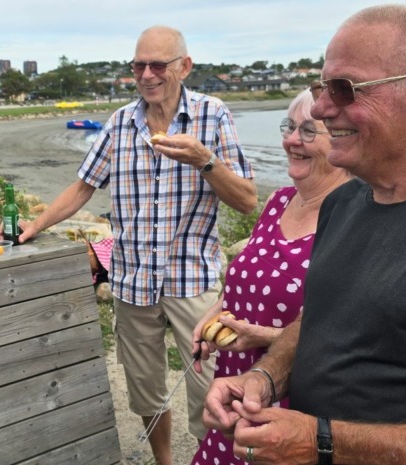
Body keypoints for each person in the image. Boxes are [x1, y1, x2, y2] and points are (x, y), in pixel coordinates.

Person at [203, 5, 406, 465]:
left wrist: (323, 442)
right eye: (322, 87)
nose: (321, 108)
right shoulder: (344, 202)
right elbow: (321, 319)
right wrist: (263, 378)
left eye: (344, 89)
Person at [17, 26, 257, 465]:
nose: (146, 75)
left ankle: (210, 458)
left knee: (211, 391)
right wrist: (37, 222)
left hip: (193, 282)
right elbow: (83, 187)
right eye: (138, 65)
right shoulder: (121, 123)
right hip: (132, 283)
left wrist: (204, 160)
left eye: (157, 65)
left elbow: (246, 199)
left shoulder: (213, 114)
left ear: (185, 66)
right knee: (145, 388)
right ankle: (164, 460)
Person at [189, 89, 351, 465]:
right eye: (289, 127)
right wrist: (215, 313)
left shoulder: (354, 216)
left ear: (341, 141)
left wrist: (264, 337)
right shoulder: (278, 200)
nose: (291, 140)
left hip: (296, 400)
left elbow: (351, 333)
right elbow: (246, 283)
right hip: (233, 388)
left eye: (309, 131)